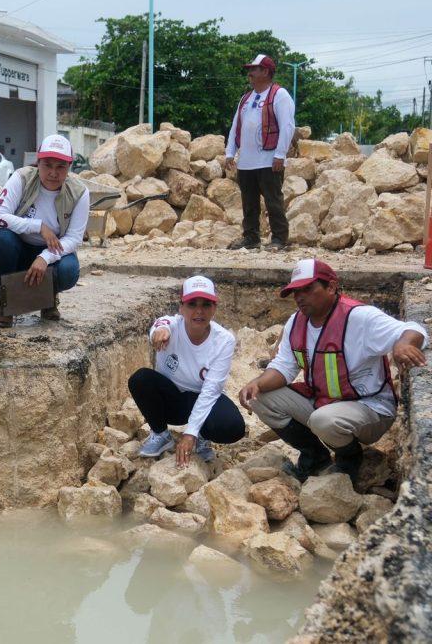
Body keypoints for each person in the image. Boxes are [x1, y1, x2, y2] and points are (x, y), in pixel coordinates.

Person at [239, 259, 427, 482]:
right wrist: (257, 384)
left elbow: (414, 329)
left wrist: (404, 343)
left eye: (307, 289)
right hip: (325, 403)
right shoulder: (296, 322)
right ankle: (315, 458)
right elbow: (283, 367)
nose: (299, 297)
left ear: (331, 287)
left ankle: (350, 459)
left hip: (370, 407)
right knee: (260, 397)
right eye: (295, 291)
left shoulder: (358, 317)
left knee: (323, 421)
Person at [129, 276, 245, 465]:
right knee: (141, 379)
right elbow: (159, 326)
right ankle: (161, 435)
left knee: (232, 426)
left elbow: (211, 391)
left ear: (214, 308)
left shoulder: (224, 340)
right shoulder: (170, 326)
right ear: (181, 307)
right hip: (173, 401)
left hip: (202, 399)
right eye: (192, 304)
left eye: (206, 305)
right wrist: (158, 333)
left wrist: (190, 433)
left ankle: (202, 435)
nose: (199, 311)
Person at [0, 134, 88, 327]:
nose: (53, 173)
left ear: (69, 167)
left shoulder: (79, 192)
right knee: (1, 241)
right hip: (19, 249)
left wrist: (45, 257)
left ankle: (48, 299)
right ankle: (5, 302)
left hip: (52, 253)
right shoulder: (21, 178)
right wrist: (38, 226)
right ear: (38, 162)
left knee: (68, 271)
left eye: (60, 167)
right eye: (47, 165)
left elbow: (74, 238)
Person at [224, 54, 295, 251]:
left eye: (254, 69)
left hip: (268, 159)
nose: (250, 73)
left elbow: (287, 126)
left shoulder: (279, 95)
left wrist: (280, 155)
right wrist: (230, 152)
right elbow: (235, 126)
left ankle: (279, 239)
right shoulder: (246, 98)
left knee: (273, 201)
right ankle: (251, 237)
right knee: (249, 203)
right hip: (246, 161)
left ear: (265, 72)